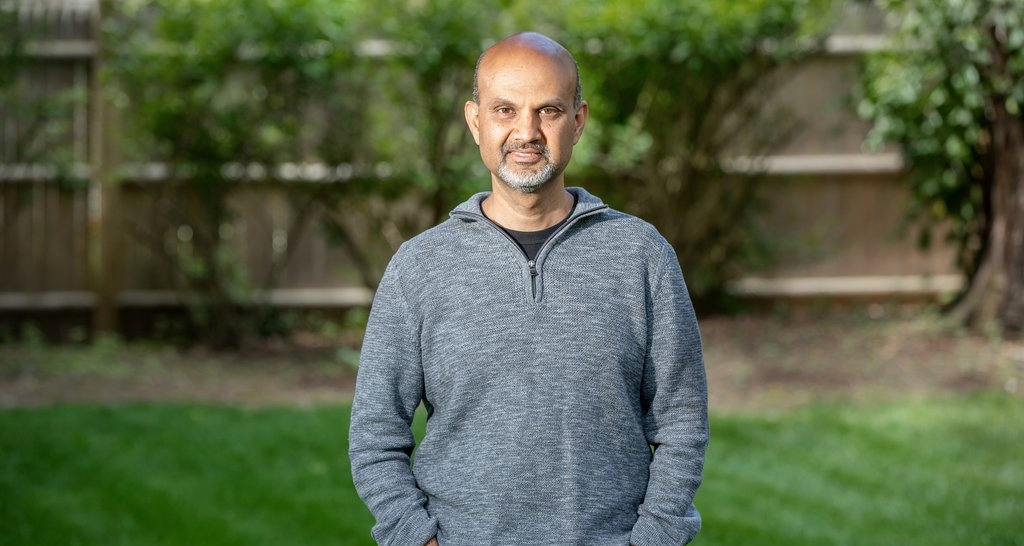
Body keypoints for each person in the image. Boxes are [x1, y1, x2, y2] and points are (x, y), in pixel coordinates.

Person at [349, 31, 709, 546]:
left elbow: (682, 422)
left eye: (549, 111)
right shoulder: (421, 266)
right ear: (475, 122)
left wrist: (655, 538)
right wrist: (414, 537)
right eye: (504, 110)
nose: (526, 131)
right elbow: (375, 434)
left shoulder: (640, 255)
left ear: (578, 120)